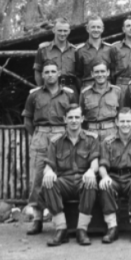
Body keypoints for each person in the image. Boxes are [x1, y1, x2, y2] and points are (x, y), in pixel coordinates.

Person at [23, 60, 77, 236]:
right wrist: (39, 136)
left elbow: (74, 116)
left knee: (64, 175)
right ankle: (38, 219)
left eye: (53, 71)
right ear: (42, 75)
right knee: (38, 178)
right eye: (46, 72)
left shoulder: (69, 94)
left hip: (63, 135)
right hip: (42, 135)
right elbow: (28, 120)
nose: (50, 75)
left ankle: (66, 220)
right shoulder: (34, 95)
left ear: (59, 73)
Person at [39, 104, 100, 247]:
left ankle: (82, 229)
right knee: (48, 183)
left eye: (77, 117)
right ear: (65, 119)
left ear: (82, 119)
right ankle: (61, 229)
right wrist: (47, 172)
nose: (74, 121)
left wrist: (91, 171)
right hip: (64, 181)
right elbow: (49, 165)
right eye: (70, 117)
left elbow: (95, 163)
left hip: (82, 179)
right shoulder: (56, 141)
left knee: (90, 182)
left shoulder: (92, 139)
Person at [98, 108, 131, 244]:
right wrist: (104, 177)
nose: (125, 124)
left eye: (128, 121)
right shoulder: (107, 141)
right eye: (122, 121)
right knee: (105, 186)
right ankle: (112, 227)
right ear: (116, 122)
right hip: (113, 177)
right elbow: (102, 164)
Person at [34, 17, 78, 96]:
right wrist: (41, 88)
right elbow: (37, 71)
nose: (62, 33)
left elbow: (79, 73)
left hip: (71, 89)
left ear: (69, 31)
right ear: (53, 30)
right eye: (59, 30)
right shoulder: (43, 49)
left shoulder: (75, 50)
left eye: (65, 31)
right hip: (50, 89)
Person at [79, 61, 121, 139]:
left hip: (112, 132)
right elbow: (80, 115)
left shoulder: (117, 91)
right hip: (91, 132)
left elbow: (122, 114)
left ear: (108, 72)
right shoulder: (85, 93)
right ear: (92, 74)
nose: (100, 74)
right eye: (97, 72)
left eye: (102, 71)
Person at [75, 15, 113, 90]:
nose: (96, 30)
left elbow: (114, 71)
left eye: (98, 27)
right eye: (93, 27)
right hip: (88, 88)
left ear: (102, 29)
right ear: (87, 29)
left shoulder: (110, 48)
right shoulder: (80, 50)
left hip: (107, 88)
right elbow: (77, 75)